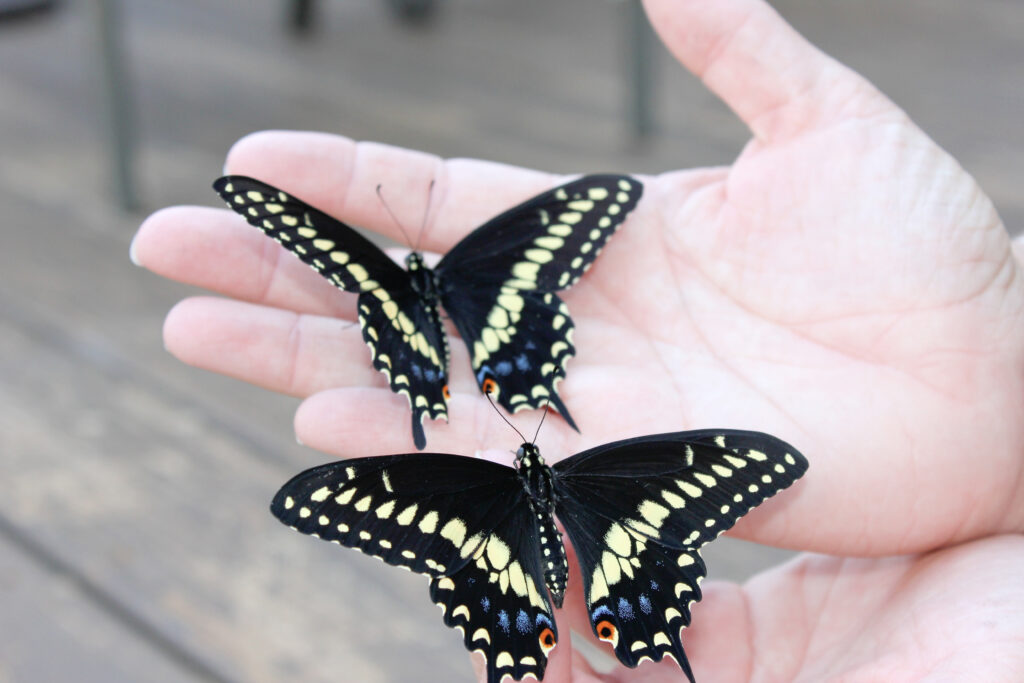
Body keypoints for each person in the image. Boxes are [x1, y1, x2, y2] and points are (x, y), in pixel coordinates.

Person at [131, 0, 1024, 680]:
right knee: (484, 413)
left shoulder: (492, 460)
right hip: (510, 382)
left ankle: (435, 399)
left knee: (444, 405)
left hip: (474, 466)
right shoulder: (605, 456)